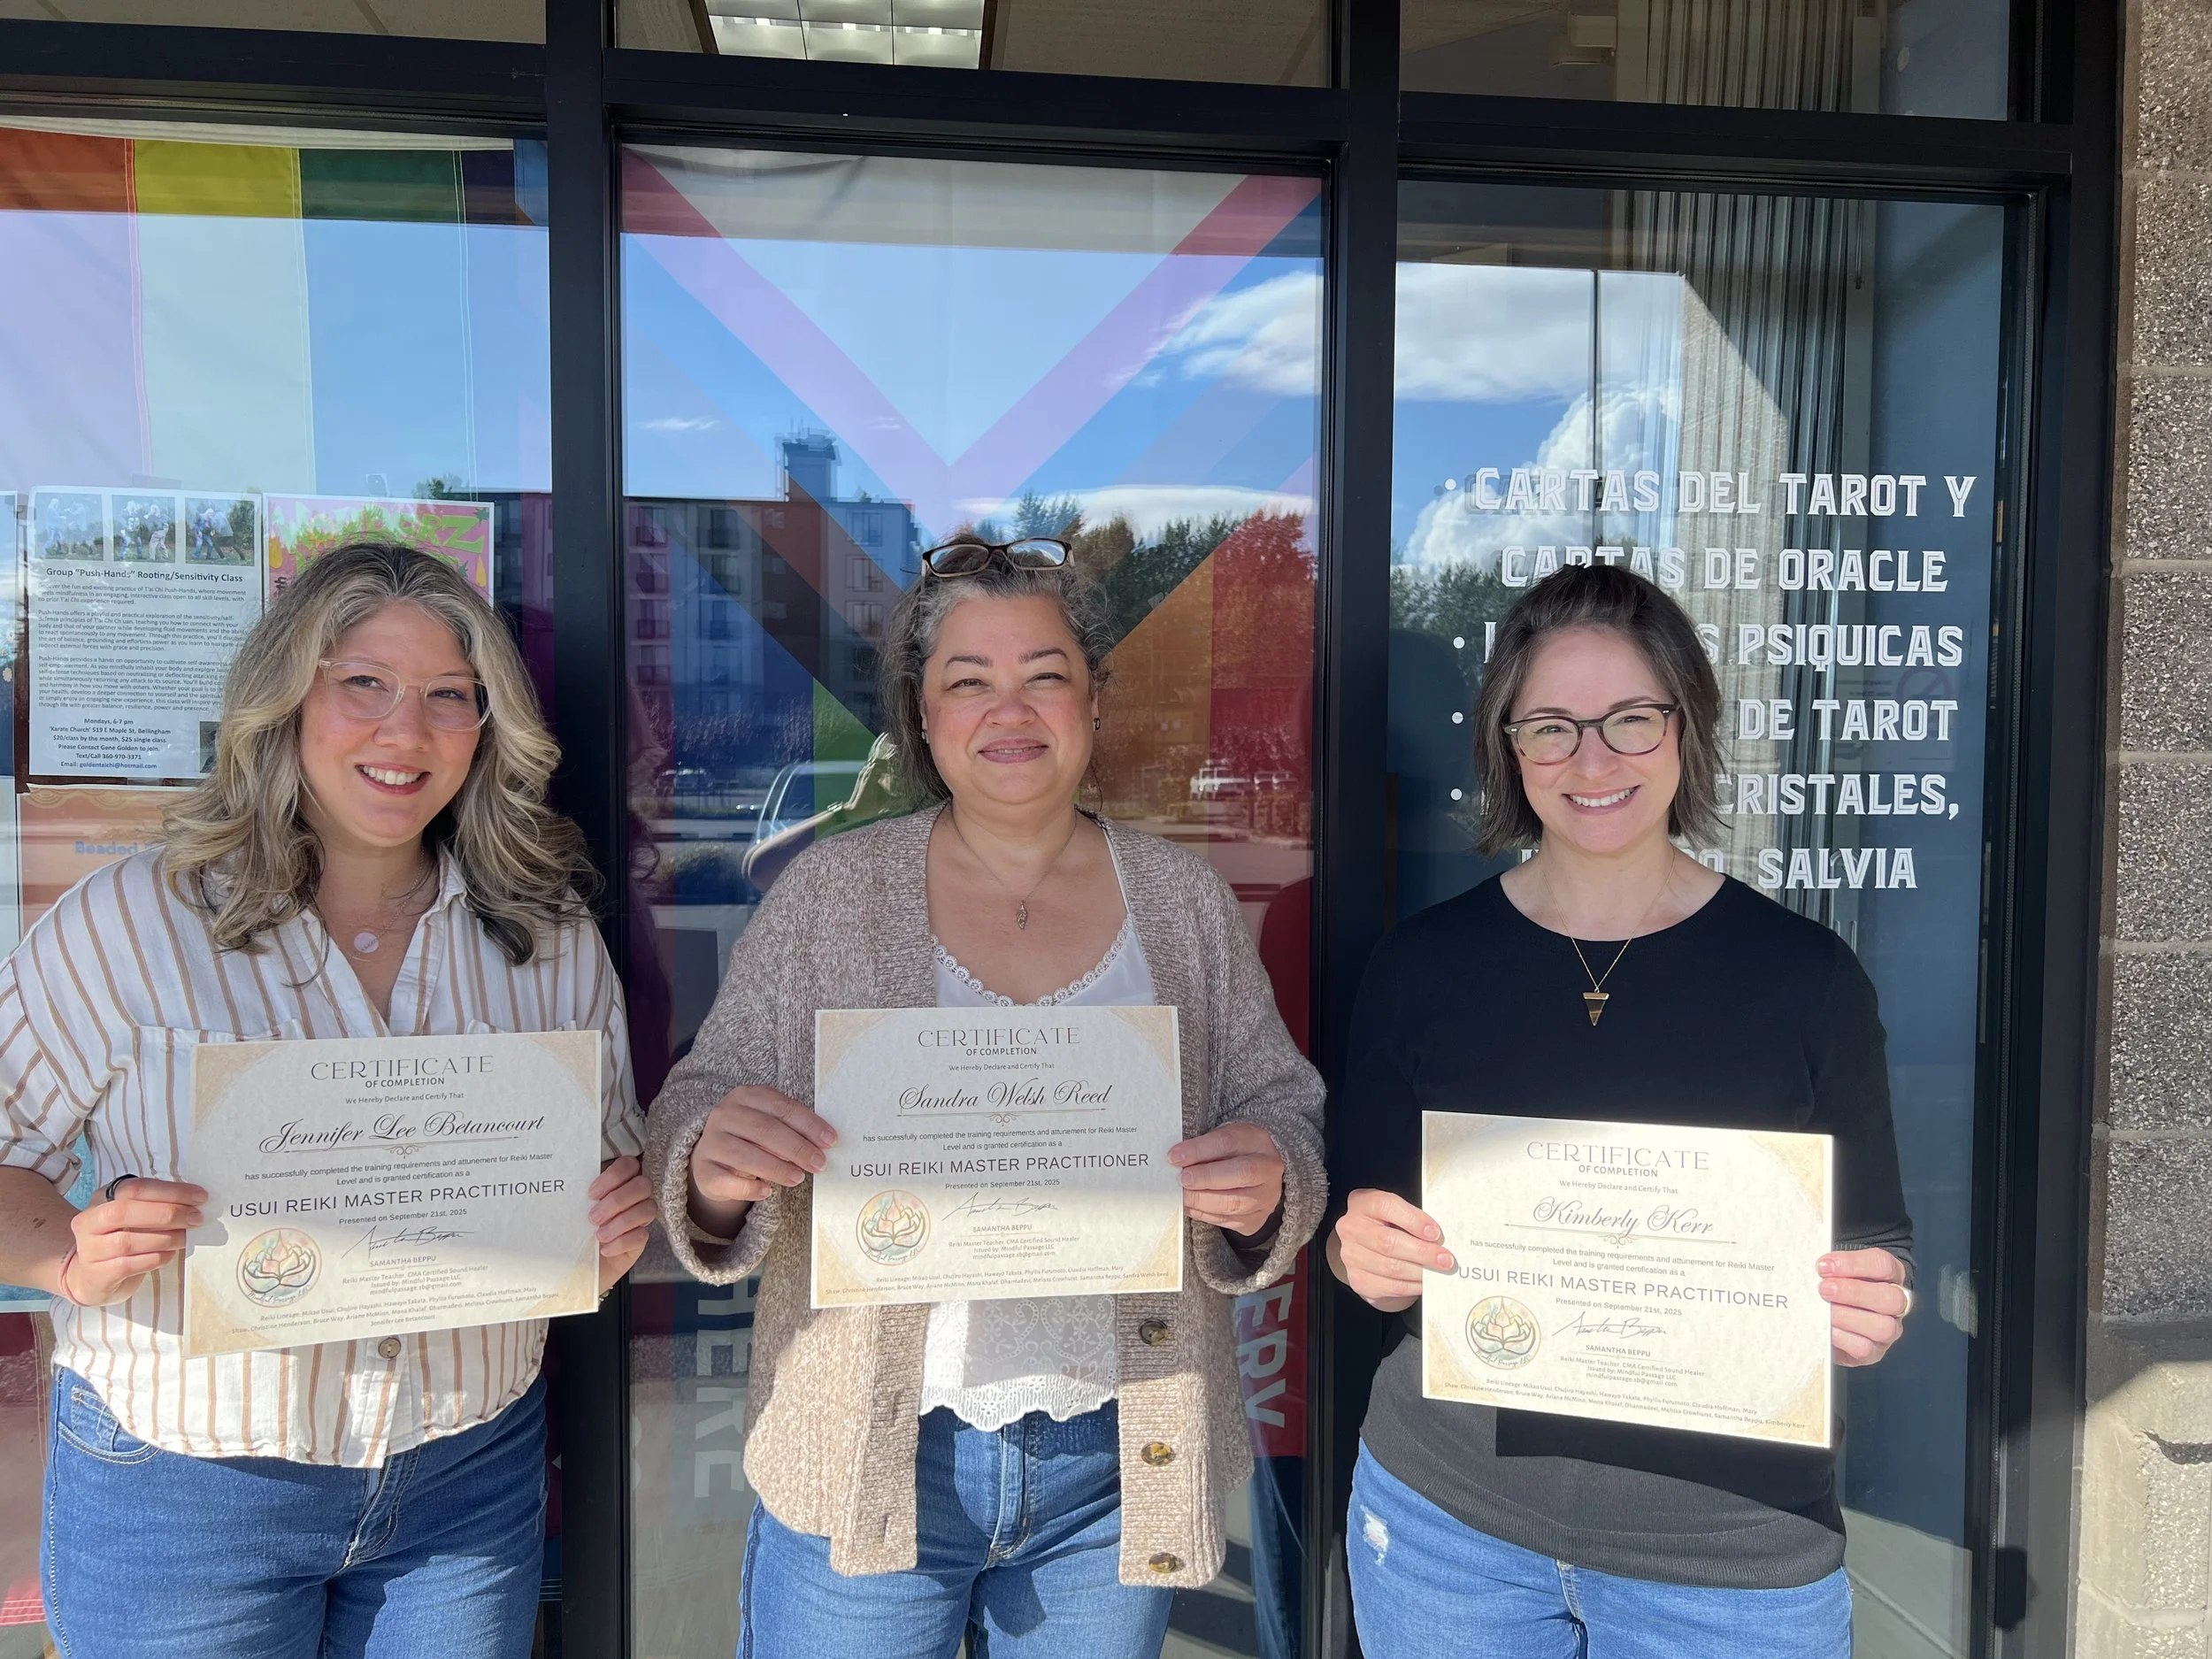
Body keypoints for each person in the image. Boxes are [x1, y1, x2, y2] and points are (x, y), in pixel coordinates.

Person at [645, 534, 1327, 1659]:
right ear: (922, 713)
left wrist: (1270, 1177)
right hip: (871, 1449)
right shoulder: (830, 893)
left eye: (1044, 674)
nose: (1009, 709)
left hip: (1116, 1461)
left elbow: (1278, 1100)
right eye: (968, 680)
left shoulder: (1183, 900)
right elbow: (701, 1103)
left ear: (1094, 702)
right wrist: (712, 1171)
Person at [0, 541, 655, 1659]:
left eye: (450, 696)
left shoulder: (546, 941)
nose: (406, 733)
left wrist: (607, 1238)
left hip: (465, 1475)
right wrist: (67, 1253)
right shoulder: (131, 925)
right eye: (364, 685)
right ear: (283, 700)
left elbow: (596, 1194)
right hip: (185, 1488)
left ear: (487, 730)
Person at [1329, 563, 1913, 1658]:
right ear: (1508, 745)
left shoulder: (1806, 978)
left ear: (1685, 725)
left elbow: (1872, 1238)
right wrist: (1359, 1252)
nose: (1591, 761)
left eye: (1630, 720)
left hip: (1728, 1559)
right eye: (1551, 726)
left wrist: (1870, 1303)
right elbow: (1364, 1227)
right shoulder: (1420, 966)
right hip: (1448, 1527)